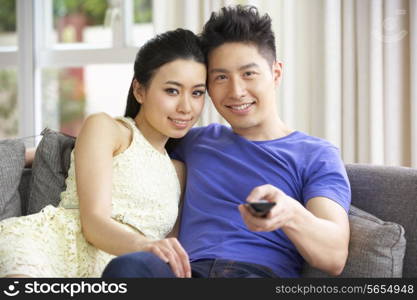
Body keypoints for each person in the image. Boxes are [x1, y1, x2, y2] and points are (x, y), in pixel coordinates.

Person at [102, 5, 351, 279]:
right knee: (128, 268)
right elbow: (129, 144)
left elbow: (334, 256)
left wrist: (290, 213)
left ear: (276, 74)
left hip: (256, 275)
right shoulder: (192, 140)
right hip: (183, 272)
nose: (236, 91)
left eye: (248, 74)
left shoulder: (316, 155)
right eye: (221, 77)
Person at [0, 28, 206, 278]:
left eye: (197, 93)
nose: (186, 107)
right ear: (139, 90)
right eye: (172, 91)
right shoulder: (107, 129)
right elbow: (94, 224)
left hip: (122, 273)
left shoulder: (179, 172)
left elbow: (169, 253)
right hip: (49, 252)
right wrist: (146, 246)